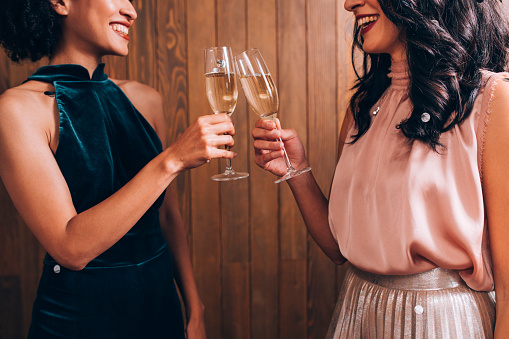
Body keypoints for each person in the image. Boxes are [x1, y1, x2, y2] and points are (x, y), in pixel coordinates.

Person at [252, 0, 509, 336]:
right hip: (358, 311)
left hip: (441, 324)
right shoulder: (362, 106)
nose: (349, 3)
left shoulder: (492, 100)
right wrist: (295, 168)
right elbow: (339, 247)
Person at [0, 0, 236, 338]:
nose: (131, 10)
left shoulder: (146, 99)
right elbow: (70, 248)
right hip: (79, 321)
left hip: (162, 312)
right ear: (60, 3)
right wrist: (172, 160)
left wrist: (194, 307)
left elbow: (166, 216)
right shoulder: (18, 110)